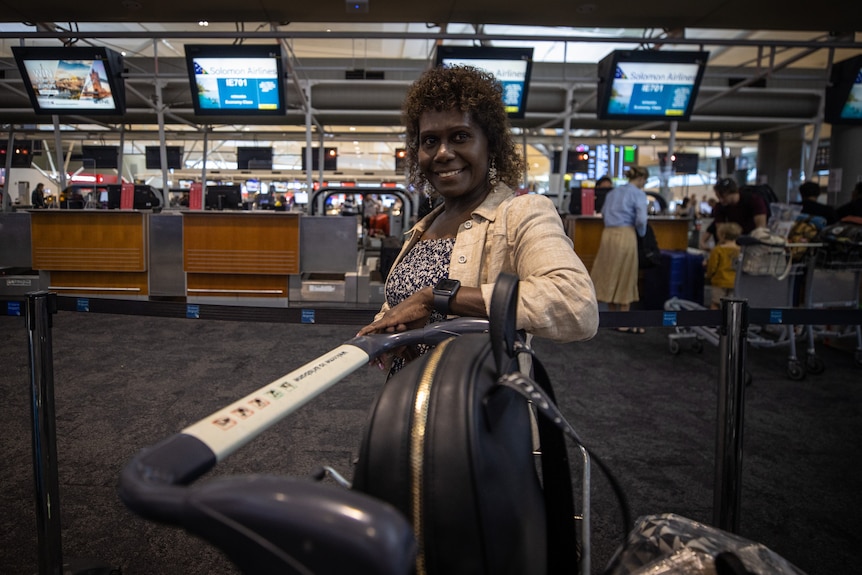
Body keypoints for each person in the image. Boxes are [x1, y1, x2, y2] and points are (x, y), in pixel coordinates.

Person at [356, 65, 598, 374]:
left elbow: (576, 304)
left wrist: (438, 298)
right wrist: (387, 329)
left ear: (491, 145)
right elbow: (403, 304)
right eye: (430, 141)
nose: (442, 152)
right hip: (408, 398)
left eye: (460, 136)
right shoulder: (424, 227)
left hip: (473, 408)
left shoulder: (522, 214)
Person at [589, 165, 649, 333]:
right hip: (625, 234)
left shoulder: (612, 193)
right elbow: (641, 220)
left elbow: (605, 214)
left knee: (609, 274)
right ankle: (623, 322)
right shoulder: (638, 194)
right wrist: (642, 234)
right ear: (642, 179)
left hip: (607, 235)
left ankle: (612, 317)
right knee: (626, 275)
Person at [699, 177, 768, 249]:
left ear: (733, 192)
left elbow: (761, 229)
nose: (721, 200)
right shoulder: (720, 207)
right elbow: (720, 231)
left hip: (752, 242)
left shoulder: (754, 200)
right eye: (719, 198)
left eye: (723, 197)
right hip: (732, 242)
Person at [705, 222, 742, 310]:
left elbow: (712, 267)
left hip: (719, 281)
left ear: (722, 235)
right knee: (732, 305)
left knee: (716, 304)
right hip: (735, 282)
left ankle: (713, 322)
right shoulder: (741, 250)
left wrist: (709, 276)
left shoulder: (718, 250)